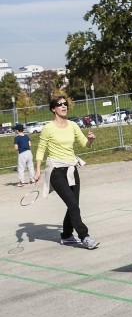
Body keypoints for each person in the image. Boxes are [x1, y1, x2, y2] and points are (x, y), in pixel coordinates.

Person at [34, 97, 99, 250]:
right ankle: (84, 236)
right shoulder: (48, 128)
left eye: (65, 104)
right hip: (56, 171)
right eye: (60, 104)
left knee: (73, 205)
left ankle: (66, 236)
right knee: (72, 204)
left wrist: (90, 140)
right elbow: (41, 149)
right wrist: (37, 170)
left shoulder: (73, 125)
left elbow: (85, 145)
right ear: (53, 109)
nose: (64, 106)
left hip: (71, 168)